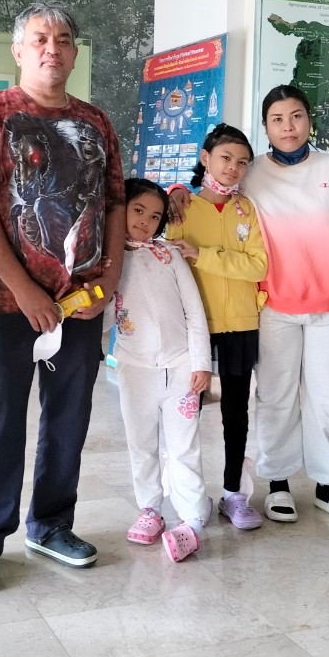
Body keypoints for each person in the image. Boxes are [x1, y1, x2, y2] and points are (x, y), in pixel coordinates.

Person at [0, 0, 125, 592]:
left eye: (64, 39)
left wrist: (109, 280)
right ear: (19, 50)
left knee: (69, 417)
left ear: (75, 53)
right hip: (7, 304)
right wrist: (23, 289)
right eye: (41, 38)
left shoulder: (96, 124)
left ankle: (51, 524)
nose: (54, 48)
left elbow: (116, 203)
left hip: (81, 301)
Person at [243, 85, 329, 524]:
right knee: (275, 397)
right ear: (265, 127)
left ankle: (327, 485)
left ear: (309, 120)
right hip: (272, 308)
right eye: (277, 119)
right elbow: (211, 196)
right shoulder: (251, 174)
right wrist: (179, 193)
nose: (288, 127)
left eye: (296, 116)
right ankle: (278, 485)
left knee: (327, 399)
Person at [164, 123, 268, 531]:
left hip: (241, 322)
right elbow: (171, 260)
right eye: (225, 158)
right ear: (205, 158)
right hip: (194, 327)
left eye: (242, 162)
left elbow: (258, 265)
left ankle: (233, 495)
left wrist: (203, 254)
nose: (233, 168)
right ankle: (190, 498)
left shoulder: (247, 210)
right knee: (185, 411)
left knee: (236, 412)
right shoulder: (182, 207)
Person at [110, 178, 213, 562]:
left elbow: (194, 312)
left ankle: (193, 520)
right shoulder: (108, 261)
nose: (146, 221)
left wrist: (201, 363)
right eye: (138, 210)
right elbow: (103, 317)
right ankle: (150, 509)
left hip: (182, 368)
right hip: (134, 369)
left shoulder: (169, 255)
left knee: (184, 447)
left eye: (155, 216)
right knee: (141, 443)